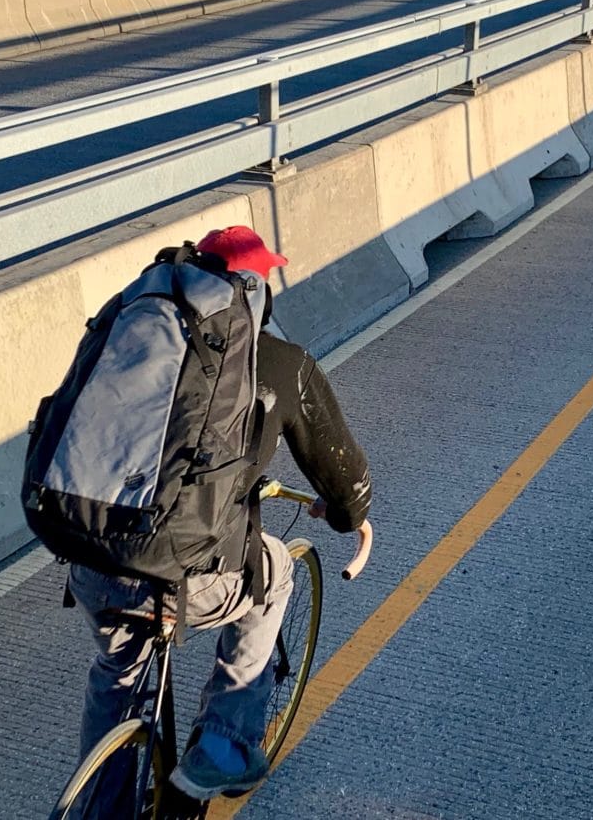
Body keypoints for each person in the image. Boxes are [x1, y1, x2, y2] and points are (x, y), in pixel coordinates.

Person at [67, 226, 372, 808]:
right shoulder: (280, 363)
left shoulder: (133, 342)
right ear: (255, 291)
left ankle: (100, 802)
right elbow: (344, 478)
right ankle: (223, 745)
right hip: (185, 578)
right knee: (276, 570)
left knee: (120, 667)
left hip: (89, 556)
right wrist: (351, 515)